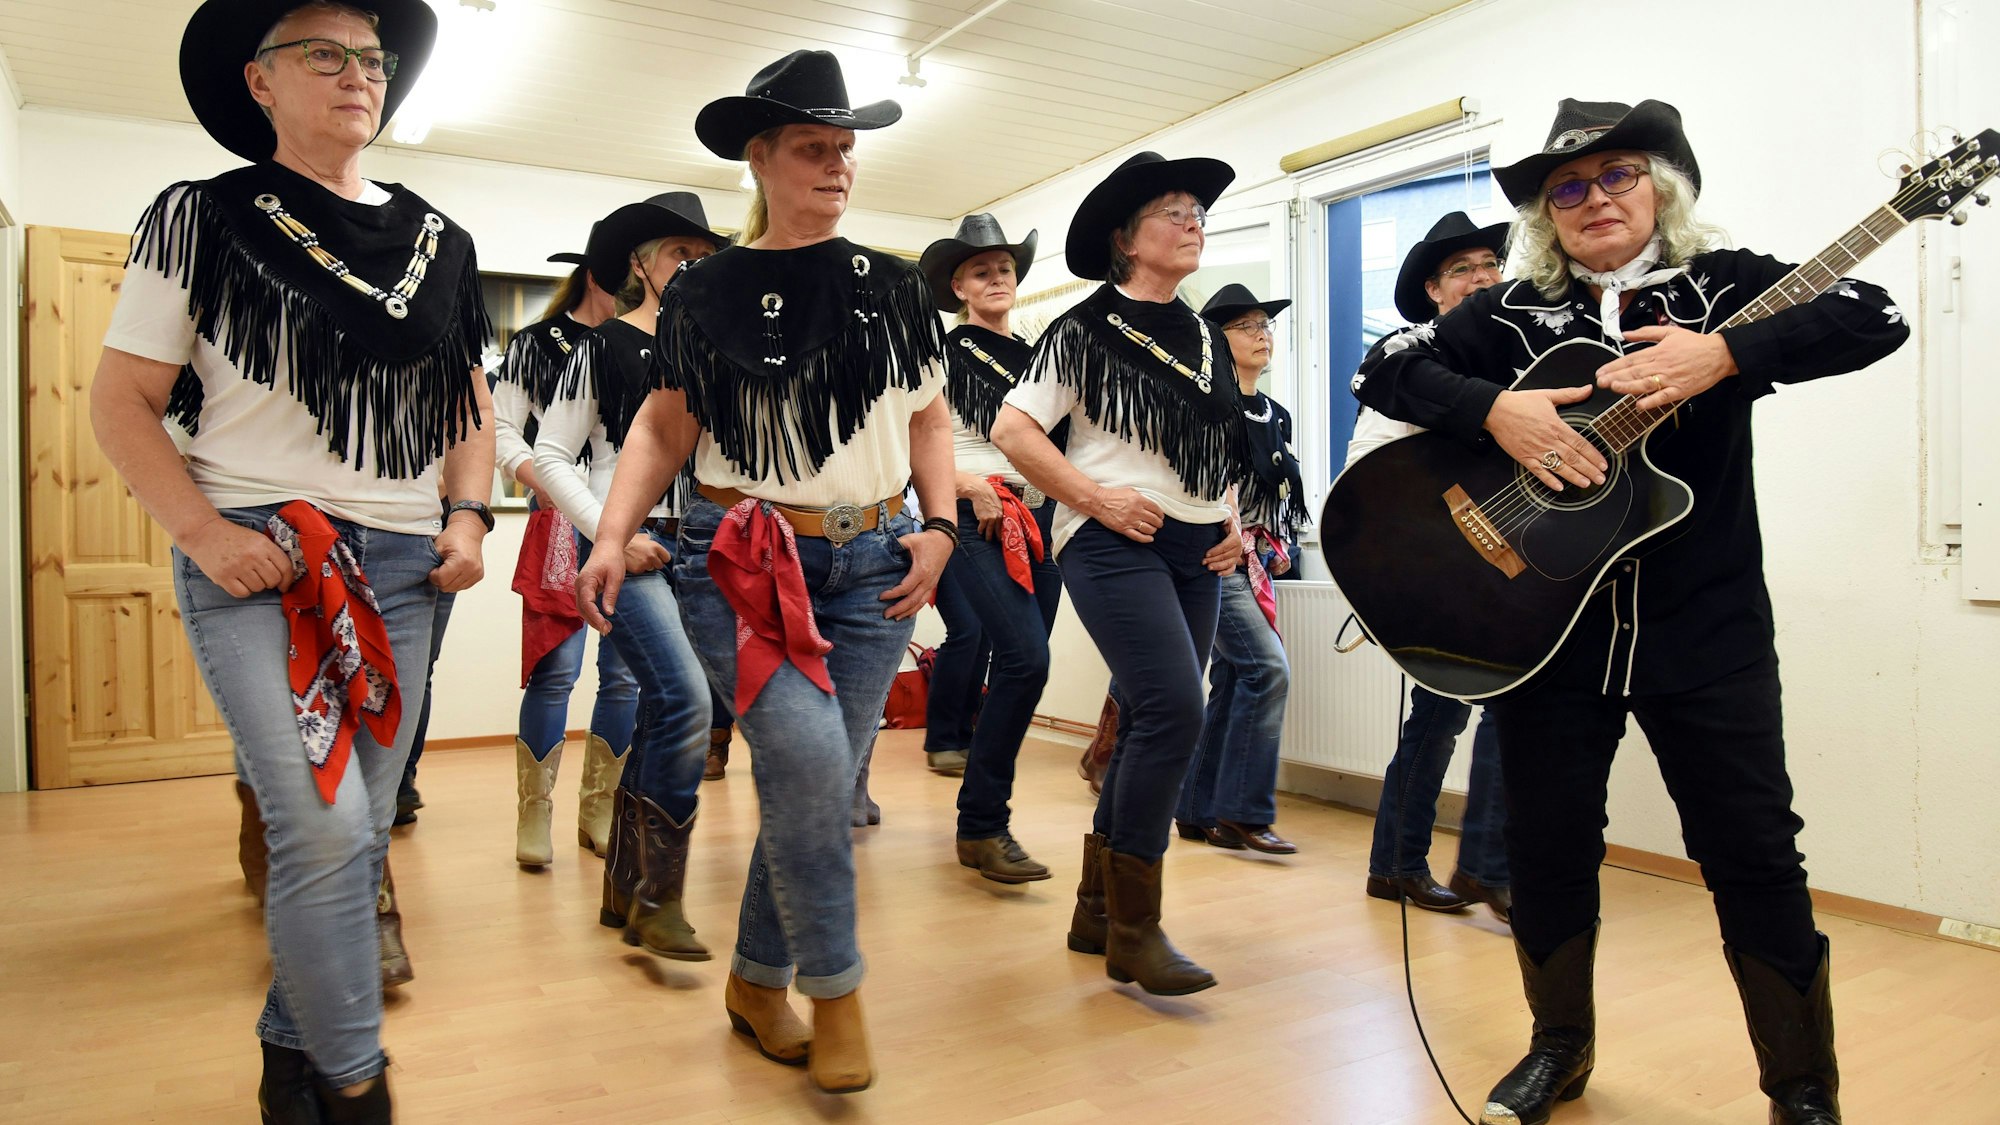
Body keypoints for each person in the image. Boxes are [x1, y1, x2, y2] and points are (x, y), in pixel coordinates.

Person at [1352, 99, 1909, 1125]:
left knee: (1752, 849)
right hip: (1542, 638)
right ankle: (1557, 1047)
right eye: (1567, 187)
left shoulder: (1727, 288)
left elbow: (1872, 314)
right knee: (1545, 845)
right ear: (1544, 215)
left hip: (1707, 631)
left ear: (1661, 189)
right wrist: (1493, 410)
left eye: (1618, 175)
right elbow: (1381, 364)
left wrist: (1723, 355)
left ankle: (1801, 1087)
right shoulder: (1505, 317)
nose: (1594, 198)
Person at [91, 1, 494, 1119]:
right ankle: (358, 1089)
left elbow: (467, 406)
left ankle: (290, 1057)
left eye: (371, 57)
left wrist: (467, 518)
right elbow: (120, 401)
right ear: (259, 81)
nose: (357, 73)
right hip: (259, 559)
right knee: (319, 826)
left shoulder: (441, 241)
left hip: (406, 572)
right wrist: (205, 533)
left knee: (356, 837)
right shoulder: (204, 215)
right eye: (323, 54)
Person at [576, 50, 952, 1095]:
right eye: (812, 148)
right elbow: (662, 426)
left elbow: (928, 417)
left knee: (809, 784)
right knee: (812, 770)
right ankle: (836, 994)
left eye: (845, 149)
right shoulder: (704, 290)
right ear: (760, 158)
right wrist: (609, 535)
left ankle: (753, 981)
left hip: (878, 564)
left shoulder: (893, 287)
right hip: (745, 561)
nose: (836, 165)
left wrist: (941, 527)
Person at [991, 151, 1248, 997]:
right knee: (1176, 706)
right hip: (1112, 539)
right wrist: (1095, 498)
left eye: (1197, 213)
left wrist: (1232, 520)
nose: (1193, 223)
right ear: (1126, 240)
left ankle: (1098, 911)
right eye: (1174, 212)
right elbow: (1014, 430)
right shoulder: (1083, 329)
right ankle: (1138, 928)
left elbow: (1218, 444)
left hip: (1198, 546)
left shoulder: (1205, 334)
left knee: (1145, 716)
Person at [535, 193, 727, 957]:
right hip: (634, 550)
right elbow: (551, 454)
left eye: (704, 256)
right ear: (641, 266)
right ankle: (659, 895)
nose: (694, 267)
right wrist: (611, 533)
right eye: (680, 253)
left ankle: (627, 884)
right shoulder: (602, 346)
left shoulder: (718, 350)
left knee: (661, 711)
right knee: (684, 699)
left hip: (707, 550)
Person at [1349, 212, 1514, 921]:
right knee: (1453, 715)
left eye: (1489, 265)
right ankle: (1468, 865)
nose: (1481, 279)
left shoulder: (1514, 361)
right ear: (1433, 290)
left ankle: (1411, 865)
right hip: (1435, 570)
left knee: (1473, 714)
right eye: (1461, 270)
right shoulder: (1412, 362)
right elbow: (1369, 478)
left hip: (1496, 569)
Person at [918, 213, 1061, 882]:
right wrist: (967, 484)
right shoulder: (939, 354)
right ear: (959, 287)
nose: (997, 278)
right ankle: (982, 824)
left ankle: (980, 820)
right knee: (1026, 658)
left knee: (1021, 668)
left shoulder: (1039, 358)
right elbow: (914, 440)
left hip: (1044, 518)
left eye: (1005, 268)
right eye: (981, 271)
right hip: (978, 514)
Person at [492, 246, 630, 861]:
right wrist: (543, 479)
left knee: (624, 676)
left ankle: (599, 806)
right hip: (561, 519)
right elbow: (500, 426)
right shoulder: (537, 343)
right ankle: (534, 814)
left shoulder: (643, 342)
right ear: (596, 276)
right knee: (556, 672)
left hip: (631, 521)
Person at [1173, 283, 1308, 856]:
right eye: (1246, 327)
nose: (1262, 335)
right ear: (1216, 340)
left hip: (1253, 557)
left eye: (1265, 325)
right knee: (1266, 669)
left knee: (1233, 676)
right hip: (1214, 553)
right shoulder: (1205, 404)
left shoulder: (1276, 415)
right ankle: (1243, 811)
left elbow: (1277, 496)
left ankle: (1198, 808)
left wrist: (1275, 546)